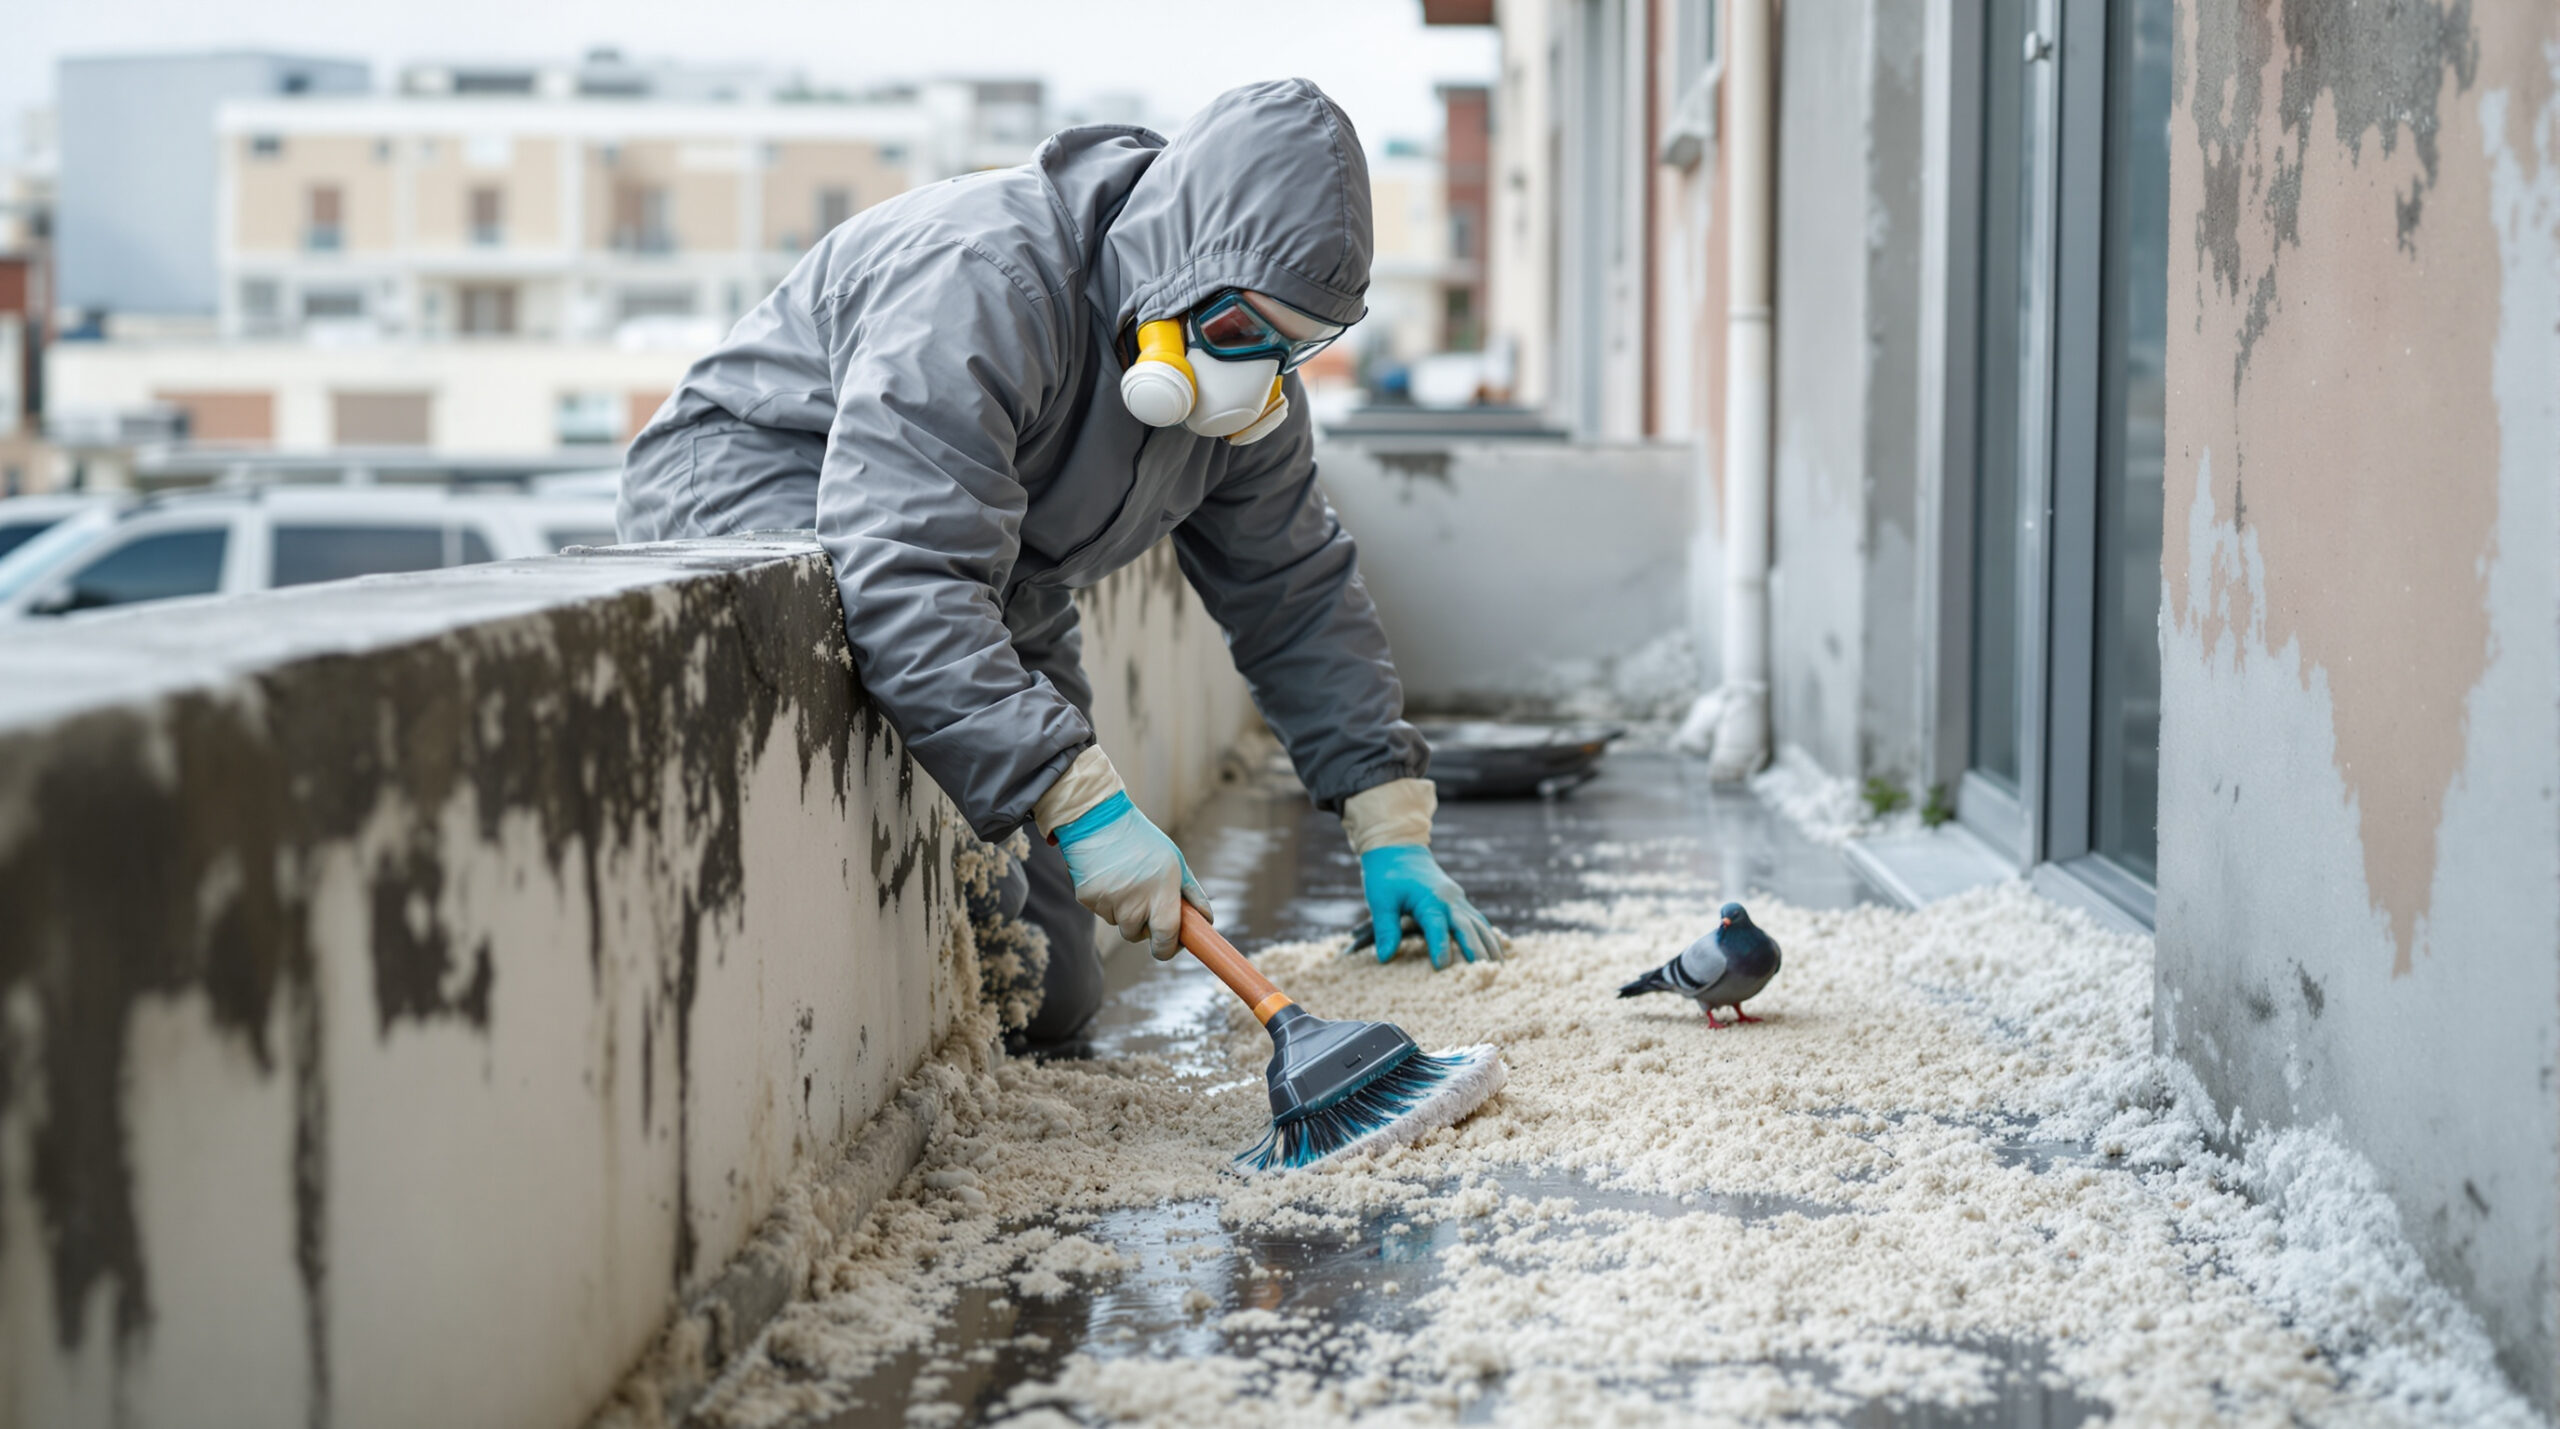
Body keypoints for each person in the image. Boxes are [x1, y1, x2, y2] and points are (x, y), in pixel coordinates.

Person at [619, 80, 1500, 1045]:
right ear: (1176, 260)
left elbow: (1291, 589)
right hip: (774, 489)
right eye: (1244, 331)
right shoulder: (989, 280)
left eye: (1297, 346)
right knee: (863, 808)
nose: (1259, 374)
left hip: (992, 572)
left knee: (1047, 990)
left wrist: (1386, 815)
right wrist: (1077, 798)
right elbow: (904, 568)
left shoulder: (1243, 400)